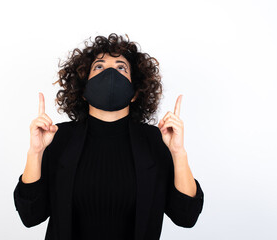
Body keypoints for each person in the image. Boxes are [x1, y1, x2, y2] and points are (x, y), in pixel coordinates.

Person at [13, 33, 204, 240]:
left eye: (121, 67)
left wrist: (178, 153)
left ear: (135, 93)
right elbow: (30, 216)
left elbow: (186, 216)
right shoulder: (57, 137)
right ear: (84, 90)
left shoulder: (155, 140)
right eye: (99, 67)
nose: (111, 72)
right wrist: (35, 152)